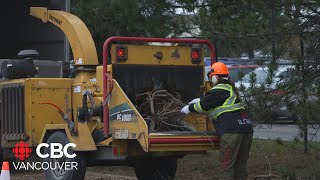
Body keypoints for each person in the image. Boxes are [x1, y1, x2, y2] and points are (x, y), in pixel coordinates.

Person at [181, 62, 253, 180]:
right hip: (246, 129)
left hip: (232, 132)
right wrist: (200, 100)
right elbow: (216, 104)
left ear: (215, 76)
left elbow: (204, 106)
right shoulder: (231, 89)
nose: (210, 80)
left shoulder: (218, 89)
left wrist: (189, 108)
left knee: (226, 166)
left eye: (211, 77)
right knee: (241, 166)